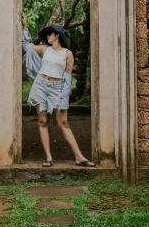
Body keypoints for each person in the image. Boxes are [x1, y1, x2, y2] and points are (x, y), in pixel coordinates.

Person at [21, 12, 95, 168]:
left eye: (51, 34)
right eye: (47, 34)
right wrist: (25, 27)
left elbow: (68, 77)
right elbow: (27, 46)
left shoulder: (67, 54)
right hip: (40, 85)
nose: (48, 36)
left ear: (58, 36)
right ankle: (48, 158)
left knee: (64, 123)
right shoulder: (44, 49)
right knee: (42, 121)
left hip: (56, 88)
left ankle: (79, 157)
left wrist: (64, 98)